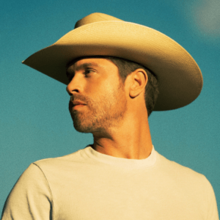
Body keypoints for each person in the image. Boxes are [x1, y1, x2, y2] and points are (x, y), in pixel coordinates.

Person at [1, 12, 219, 220]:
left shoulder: (197, 190)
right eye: (70, 76)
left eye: (88, 72)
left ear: (136, 83)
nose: (71, 86)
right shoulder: (44, 181)